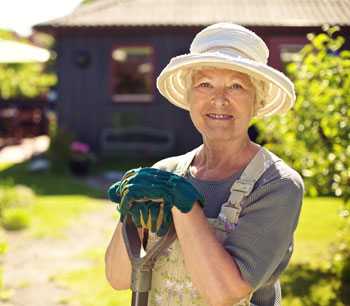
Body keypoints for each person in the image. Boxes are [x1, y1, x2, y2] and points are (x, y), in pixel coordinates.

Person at [105, 23, 304, 306]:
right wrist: (131, 218)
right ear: (189, 97)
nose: (219, 99)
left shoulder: (276, 184)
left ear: (257, 101)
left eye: (236, 86)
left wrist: (184, 208)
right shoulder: (165, 172)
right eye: (205, 84)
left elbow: (224, 292)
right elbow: (118, 278)